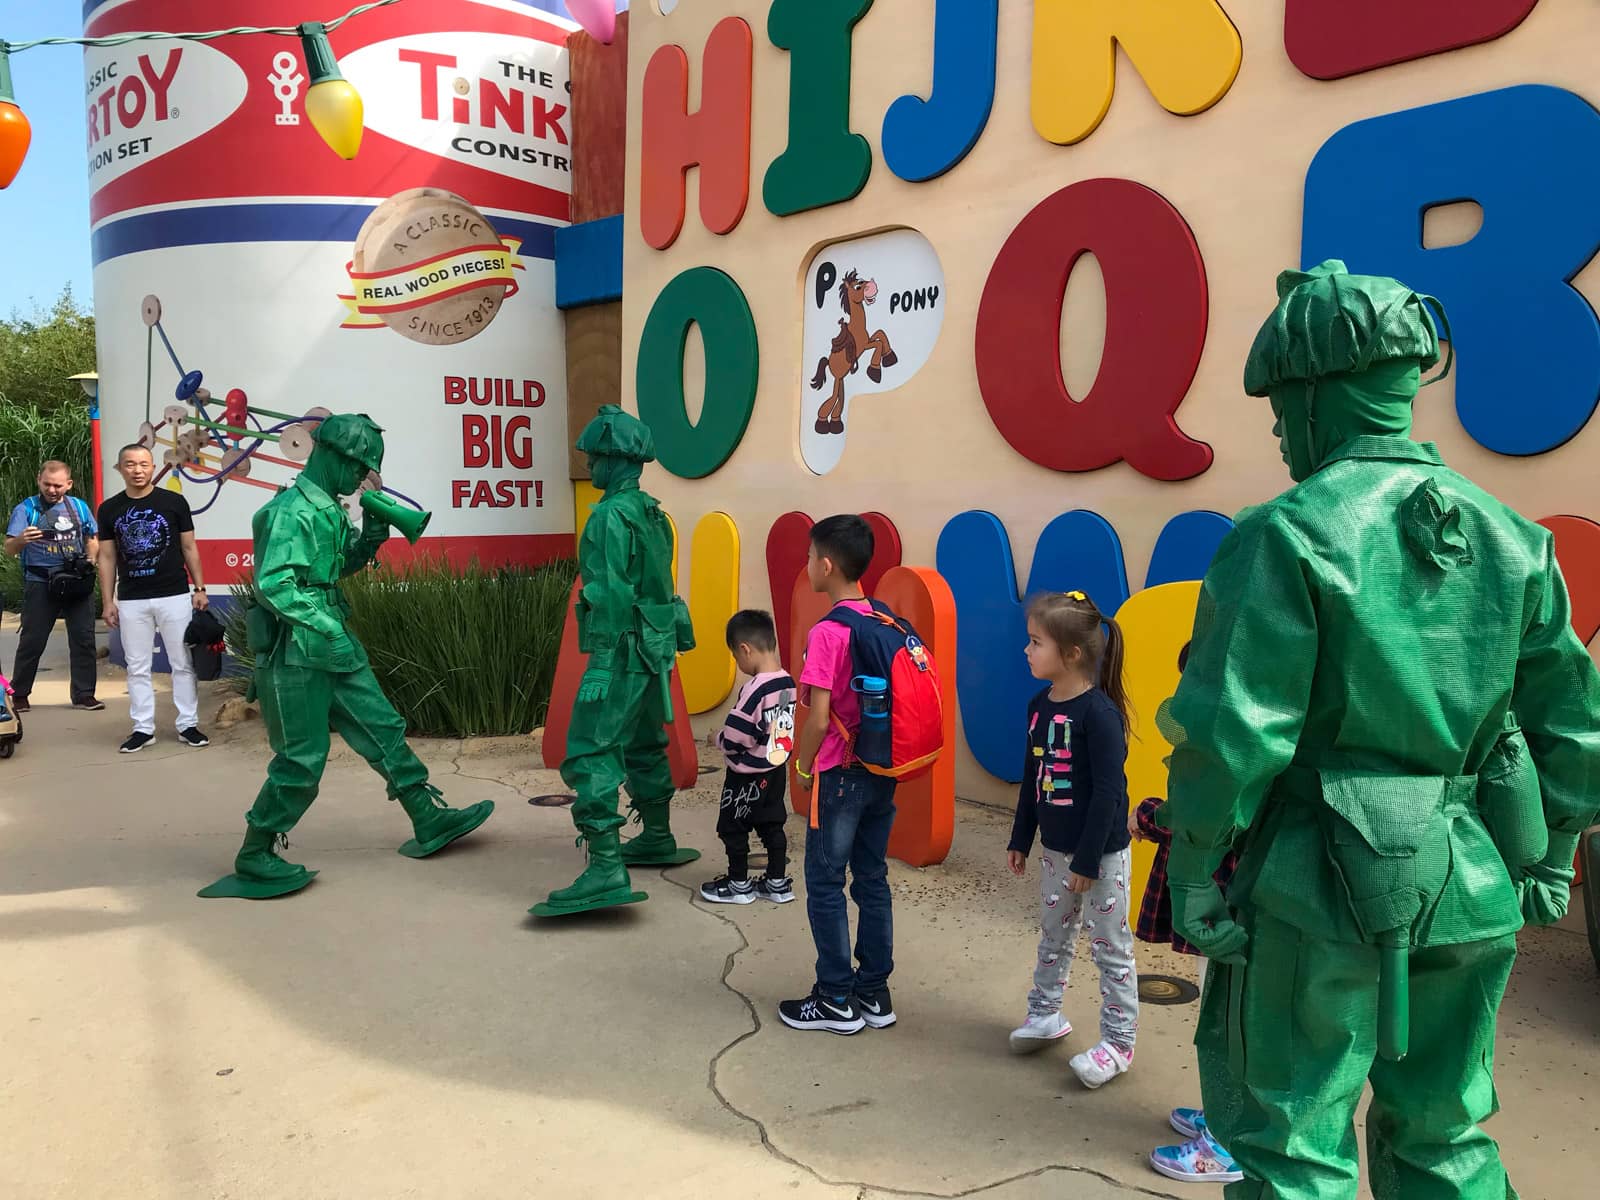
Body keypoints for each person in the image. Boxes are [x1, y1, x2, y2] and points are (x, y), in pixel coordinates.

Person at [1164, 261, 1600, 1199]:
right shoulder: (1517, 539)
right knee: (1447, 1136)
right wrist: (1554, 853)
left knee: (1292, 1145)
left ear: (1318, 394)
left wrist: (1195, 869)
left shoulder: (1283, 534)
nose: (1279, 431)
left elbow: (1229, 729)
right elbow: (1574, 723)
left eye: (1281, 405)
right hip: (1472, 886)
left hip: (1309, 892)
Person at [199, 414, 494, 899]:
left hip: (331, 638)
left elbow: (337, 570)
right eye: (359, 467)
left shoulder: (329, 510)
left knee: (382, 725)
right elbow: (275, 586)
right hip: (295, 650)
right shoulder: (291, 512)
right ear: (332, 455)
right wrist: (324, 626)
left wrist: (373, 533)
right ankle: (255, 853)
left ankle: (427, 815)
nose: (362, 479)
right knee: (301, 760)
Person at [534, 405, 698, 916]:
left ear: (613, 459)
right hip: (655, 648)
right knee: (646, 740)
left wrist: (602, 662)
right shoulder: (653, 513)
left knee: (590, 749)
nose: (591, 466)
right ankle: (656, 834)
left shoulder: (607, 516)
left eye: (595, 457)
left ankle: (605, 865)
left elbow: (606, 592)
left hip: (622, 648)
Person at [1005, 589, 1140, 1089]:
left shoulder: (1099, 715)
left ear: (1073, 654)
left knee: (1110, 949)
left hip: (1098, 858)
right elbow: (1032, 773)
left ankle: (1119, 1043)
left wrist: (1087, 859)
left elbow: (1109, 793)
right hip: (1056, 853)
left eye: (1036, 642)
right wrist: (1022, 836)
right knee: (1054, 935)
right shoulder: (1039, 706)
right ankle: (1044, 1014)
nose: (1027, 650)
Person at [780, 514, 896, 1035]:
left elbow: (820, 717)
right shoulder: (886, 621)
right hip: (882, 770)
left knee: (825, 882)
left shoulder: (829, 632)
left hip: (840, 774)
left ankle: (833, 997)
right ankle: (874, 991)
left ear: (826, 565)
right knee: (871, 879)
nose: (806, 566)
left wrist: (801, 767)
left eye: (808, 557)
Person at [97, 444, 210, 752]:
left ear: (152, 467)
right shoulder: (109, 509)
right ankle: (143, 728)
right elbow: (106, 557)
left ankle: (188, 724)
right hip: (132, 598)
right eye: (130, 464)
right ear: (120, 468)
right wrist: (108, 601)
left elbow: (189, 548)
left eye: (144, 464)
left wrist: (200, 589)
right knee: (137, 666)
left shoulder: (174, 502)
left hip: (174, 594)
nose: (138, 470)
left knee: (182, 662)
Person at [700, 609, 798, 905]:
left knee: (733, 827)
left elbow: (737, 736)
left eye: (735, 656)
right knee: (772, 824)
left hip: (746, 776)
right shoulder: (787, 683)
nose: (738, 662)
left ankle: (739, 884)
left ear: (745, 649)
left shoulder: (754, 690)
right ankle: (778, 883)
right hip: (775, 769)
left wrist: (717, 738)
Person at [3, 460, 102, 711]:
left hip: (76, 583)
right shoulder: (26, 509)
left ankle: (84, 694)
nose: (52, 489)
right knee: (32, 640)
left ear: (68, 484)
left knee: (84, 639)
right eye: (47, 484)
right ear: (39, 480)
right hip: (41, 583)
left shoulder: (78, 506)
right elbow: (9, 549)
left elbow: (92, 537)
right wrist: (22, 539)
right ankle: (21, 693)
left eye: (58, 485)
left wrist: (91, 558)